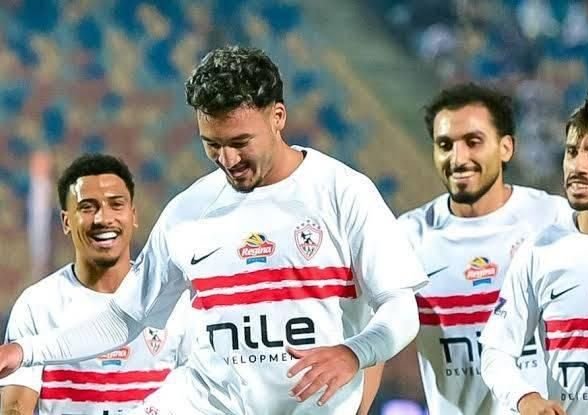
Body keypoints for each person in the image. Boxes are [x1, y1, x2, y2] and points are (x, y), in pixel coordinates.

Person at [0, 46, 427, 415]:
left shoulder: (342, 193)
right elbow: (123, 319)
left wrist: (354, 352)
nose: (227, 160)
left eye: (240, 142)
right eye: (212, 144)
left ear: (278, 117)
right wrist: (26, 351)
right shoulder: (189, 212)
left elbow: (401, 309)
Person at [398, 83, 572, 415]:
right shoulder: (408, 236)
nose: (458, 158)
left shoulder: (554, 219)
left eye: (473, 142)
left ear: (506, 147)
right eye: (445, 145)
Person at [479, 107, 588, 415]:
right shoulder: (541, 251)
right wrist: (525, 397)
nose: (578, 166)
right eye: (571, 152)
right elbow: (495, 351)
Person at [0, 154, 191, 415]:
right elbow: (15, 408)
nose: (103, 218)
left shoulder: (173, 299)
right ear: (66, 222)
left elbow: (198, 392)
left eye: (116, 204)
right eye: (87, 207)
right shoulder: (37, 305)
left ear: (133, 215)